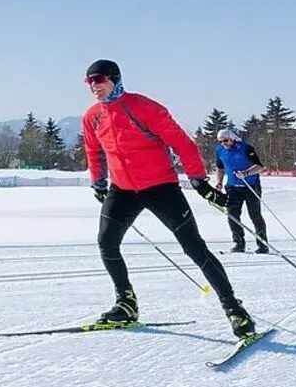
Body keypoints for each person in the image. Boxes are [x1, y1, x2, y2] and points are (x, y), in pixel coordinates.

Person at [80, 58, 255, 338]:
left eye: (98, 80)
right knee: (107, 242)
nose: (93, 87)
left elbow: (183, 143)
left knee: (195, 249)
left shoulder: (143, 107)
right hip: (123, 190)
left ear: (114, 79)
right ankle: (126, 304)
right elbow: (93, 150)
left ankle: (234, 309)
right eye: (88, 82)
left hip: (161, 186)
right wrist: (98, 181)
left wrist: (198, 179)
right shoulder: (92, 116)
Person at [213, 128, 269, 254]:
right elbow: (220, 167)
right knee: (232, 215)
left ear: (232, 138)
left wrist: (246, 173)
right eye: (221, 141)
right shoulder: (219, 150)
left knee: (255, 216)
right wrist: (219, 182)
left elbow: (259, 166)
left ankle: (262, 244)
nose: (224, 144)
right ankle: (239, 243)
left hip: (250, 186)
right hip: (232, 188)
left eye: (226, 140)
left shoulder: (245, 148)